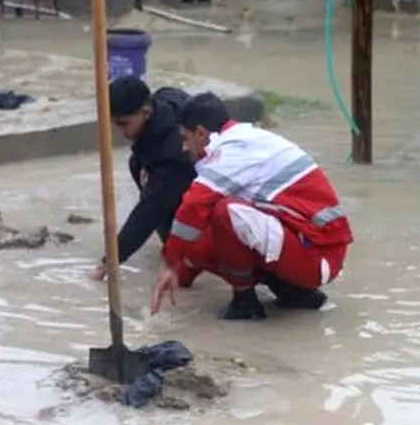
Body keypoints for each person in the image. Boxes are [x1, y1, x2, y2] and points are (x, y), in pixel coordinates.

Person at [150, 92, 353, 321]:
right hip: (310, 245)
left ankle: (245, 302)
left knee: (223, 212)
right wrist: (181, 271)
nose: (185, 148)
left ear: (200, 133)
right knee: (208, 228)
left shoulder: (233, 149)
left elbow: (193, 207)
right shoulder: (247, 139)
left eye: (185, 139)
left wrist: (169, 264)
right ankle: (290, 290)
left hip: (316, 257)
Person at [90, 77, 198, 283]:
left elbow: (146, 213)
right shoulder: (161, 102)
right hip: (175, 178)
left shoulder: (172, 154)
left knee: (183, 278)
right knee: (137, 164)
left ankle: (182, 244)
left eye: (123, 124)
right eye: (115, 124)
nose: (120, 132)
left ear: (146, 112)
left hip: (205, 197)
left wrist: (108, 263)